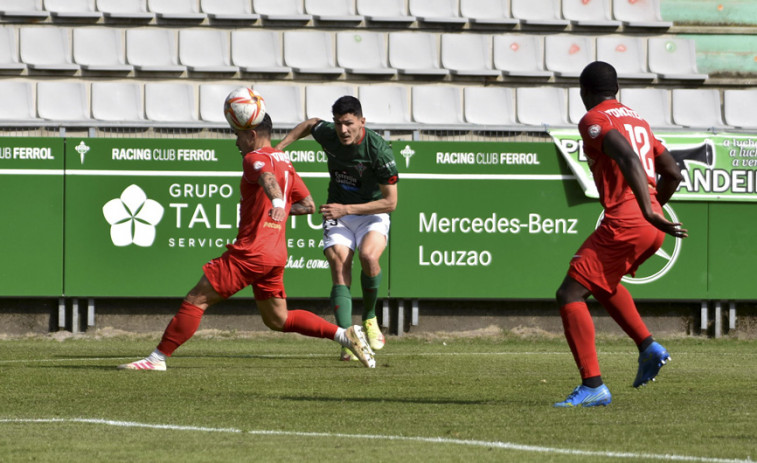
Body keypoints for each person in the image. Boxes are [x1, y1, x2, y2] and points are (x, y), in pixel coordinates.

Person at [118, 113, 376, 371]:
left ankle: (157, 359)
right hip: (274, 254)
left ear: (252, 135)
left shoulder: (255, 158)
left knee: (197, 299)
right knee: (278, 319)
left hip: (251, 252)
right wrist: (281, 208)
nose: (236, 142)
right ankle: (345, 335)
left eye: (238, 135)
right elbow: (308, 205)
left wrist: (276, 202)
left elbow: (267, 179)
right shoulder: (284, 161)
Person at [554, 61, 688, 407]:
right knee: (603, 284)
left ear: (584, 92)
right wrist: (654, 209)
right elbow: (672, 172)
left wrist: (643, 210)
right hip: (648, 220)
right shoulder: (638, 119)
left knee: (570, 293)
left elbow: (627, 156)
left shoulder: (594, 118)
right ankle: (648, 346)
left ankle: (592, 385)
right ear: (618, 90)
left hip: (630, 217)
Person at [275, 96, 398, 362]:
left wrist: (347, 209)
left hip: (370, 213)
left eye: (349, 124)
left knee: (368, 256)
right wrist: (281, 147)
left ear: (362, 122)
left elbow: (390, 202)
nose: (343, 130)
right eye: (339, 123)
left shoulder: (378, 150)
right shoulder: (328, 134)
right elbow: (309, 124)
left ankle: (369, 317)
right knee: (339, 263)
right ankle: (347, 340)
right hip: (337, 210)